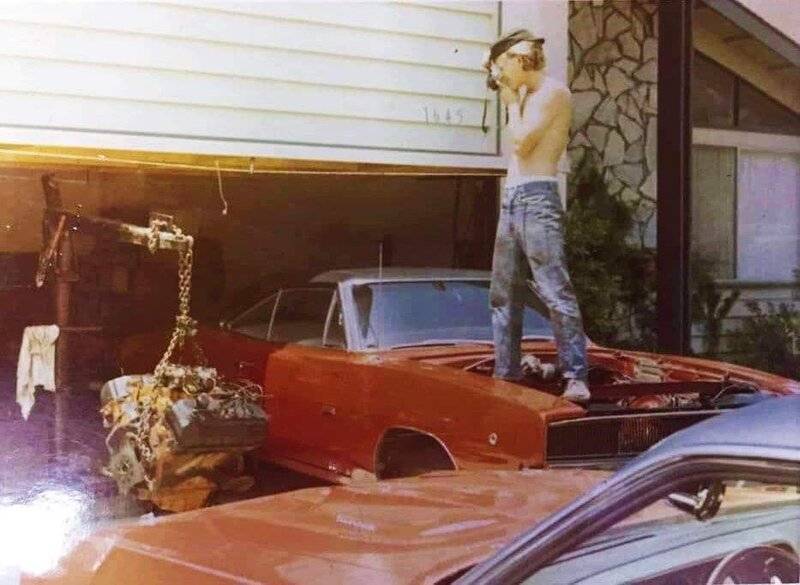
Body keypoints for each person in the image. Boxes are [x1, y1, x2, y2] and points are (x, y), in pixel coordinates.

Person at [483, 29, 590, 403]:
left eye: (503, 67)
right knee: (503, 294)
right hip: (513, 197)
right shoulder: (526, 95)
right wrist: (509, 93)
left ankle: (576, 376)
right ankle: (506, 373)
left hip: (537, 197)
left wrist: (511, 104)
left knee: (554, 289)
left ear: (519, 58)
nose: (502, 77)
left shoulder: (553, 92)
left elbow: (522, 143)